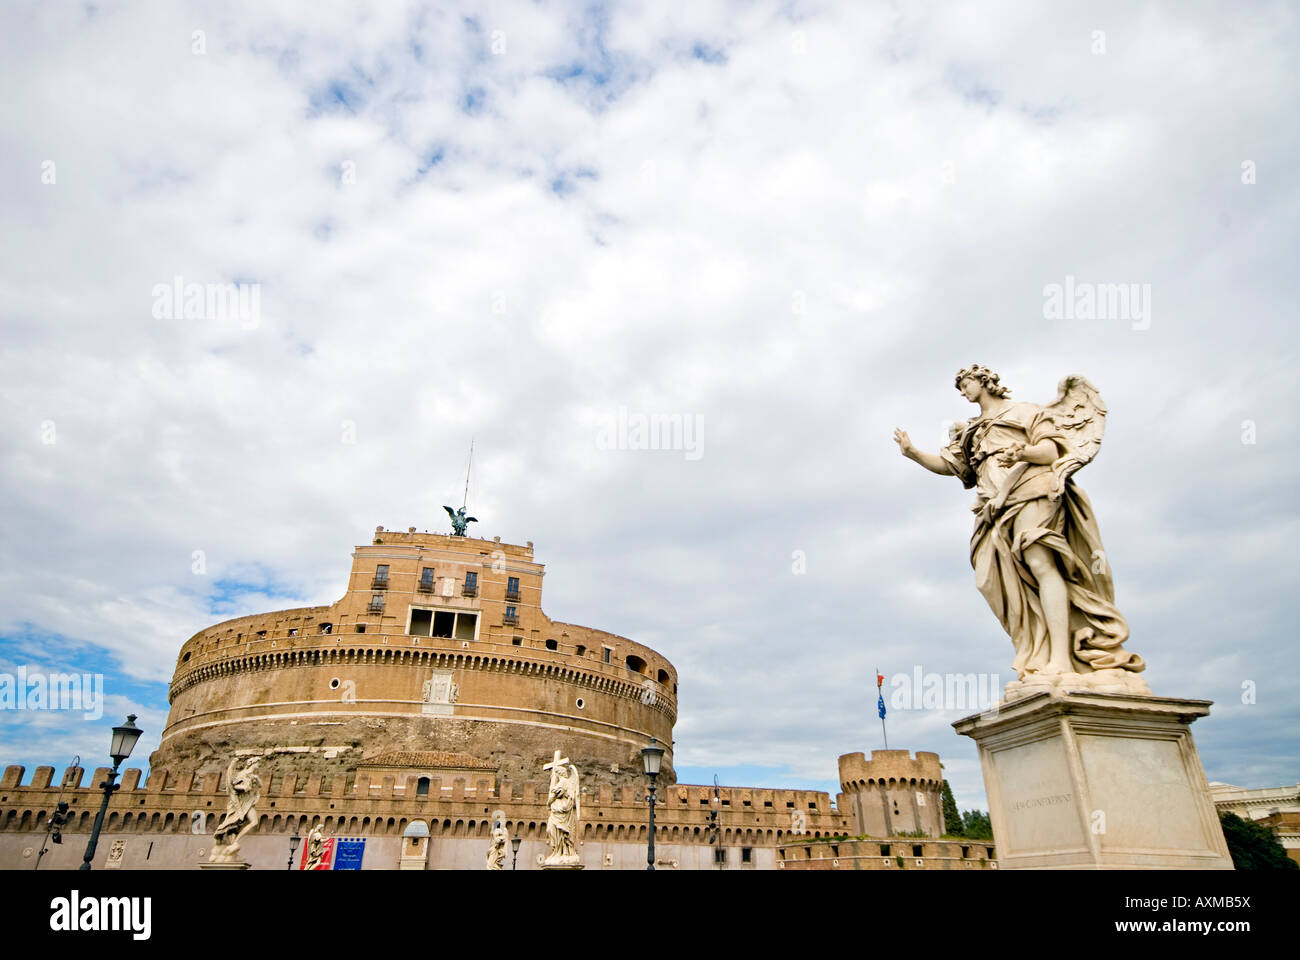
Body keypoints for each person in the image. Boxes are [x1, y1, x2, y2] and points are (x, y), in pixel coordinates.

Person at [893, 365, 1146, 689]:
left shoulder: (1024, 411)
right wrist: (913, 452)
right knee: (990, 580)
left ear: (984, 382)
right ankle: (1036, 654)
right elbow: (952, 466)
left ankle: (1061, 661)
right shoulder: (971, 429)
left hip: (1030, 489)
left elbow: (1052, 450)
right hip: (993, 507)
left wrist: (1023, 452)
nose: (963, 392)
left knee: (1041, 563)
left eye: (966, 384)